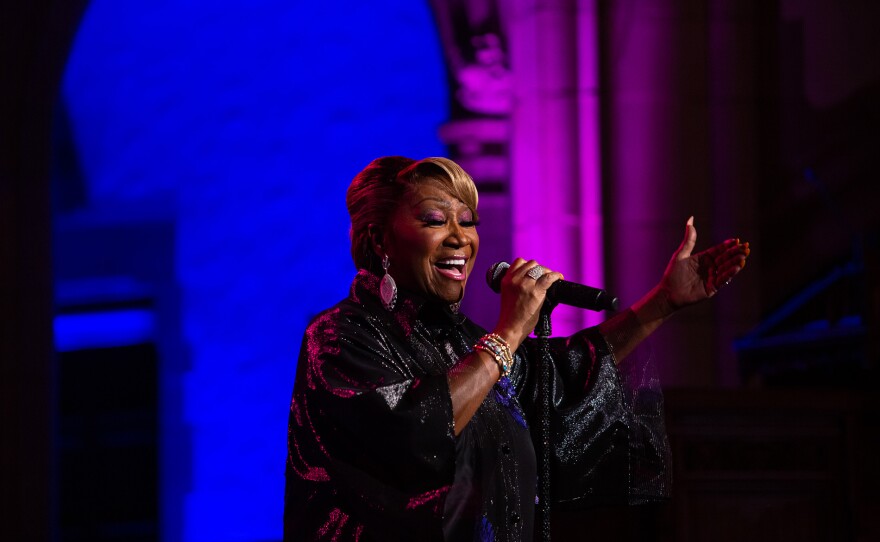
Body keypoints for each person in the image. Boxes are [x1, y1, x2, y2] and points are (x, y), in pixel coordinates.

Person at [284, 156, 749, 541]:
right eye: (433, 220)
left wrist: (662, 303)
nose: (459, 238)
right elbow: (414, 434)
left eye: (468, 221)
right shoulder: (339, 339)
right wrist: (507, 335)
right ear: (379, 239)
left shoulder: (463, 344)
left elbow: (566, 375)